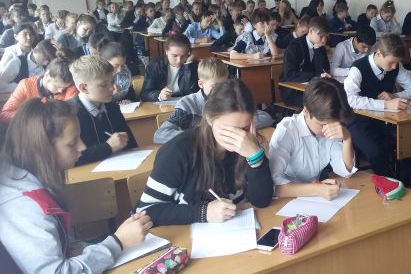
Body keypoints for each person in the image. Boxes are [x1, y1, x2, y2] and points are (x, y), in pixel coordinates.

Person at [0, 99, 151, 274]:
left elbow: (61, 245)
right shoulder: (24, 205)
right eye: (72, 143)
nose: (82, 147)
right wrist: (117, 242)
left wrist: (109, 244)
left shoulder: (30, 179)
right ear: (41, 149)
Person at [137, 79, 274, 225]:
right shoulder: (177, 152)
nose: (239, 138)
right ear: (209, 119)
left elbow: (261, 201)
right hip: (187, 234)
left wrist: (256, 158)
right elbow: (145, 212)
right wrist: (203, 212)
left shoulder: (249, 144)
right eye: (228, 130)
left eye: (245, 128)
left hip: (237, 230)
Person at [343, 33, 411, 175]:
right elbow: (350, 100)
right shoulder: (358, 68)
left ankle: (399, 181)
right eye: (391, 62)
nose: (394, 66)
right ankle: (388, 181)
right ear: (379, 54)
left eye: (397, 62)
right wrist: (385, 105)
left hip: (386, 120)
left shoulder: (395, 66)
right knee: (377, 153)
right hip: (359, 121)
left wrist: (395, 95)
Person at [269, 77, 356, 198]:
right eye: (323, 125)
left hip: (316, 196)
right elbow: (272, 186)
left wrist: (347, 138)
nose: (328, 130)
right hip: (286, 199)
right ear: (306, 112)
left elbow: (345, 171)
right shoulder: (287, 131)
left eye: (335, 124)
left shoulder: (330, 124)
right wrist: (316, 189)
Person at [68, 55, 137, 165]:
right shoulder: (69, 115)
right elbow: (71, 159)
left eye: (112, 81)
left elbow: (131, 144)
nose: (112, 88)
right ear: (84, 88)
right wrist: (108, 147)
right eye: (103, 85)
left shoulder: (112, 107)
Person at [0, 56, 77, 122]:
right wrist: (32, 116)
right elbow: (5, 115)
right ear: (46, 75)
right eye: (57, 86)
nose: (61, 91)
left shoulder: (68, 88)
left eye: (64, 88)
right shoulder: (25, 85)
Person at [280, 16, 331, 108]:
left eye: (326, 37)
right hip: (293, 91)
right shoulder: (294, 46)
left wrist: (318, 51)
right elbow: (289, 75)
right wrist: (316, 76)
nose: (324, 40)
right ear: (311, 31)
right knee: (323, 103)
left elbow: (325, 70)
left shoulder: (320, 47)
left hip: (313, 89)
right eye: (321, 36)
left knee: (332, 98)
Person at [140, 34, 199, 102]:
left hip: (184, 103)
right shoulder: (156, 65)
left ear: (189, 53)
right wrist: (159, 95)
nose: (179, 60)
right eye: (174, 56)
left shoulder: (192, 65)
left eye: (183, 56)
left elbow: (193, 94)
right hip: (162, 104)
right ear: (166, 52)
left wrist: (188, 65)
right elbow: (144, 94)